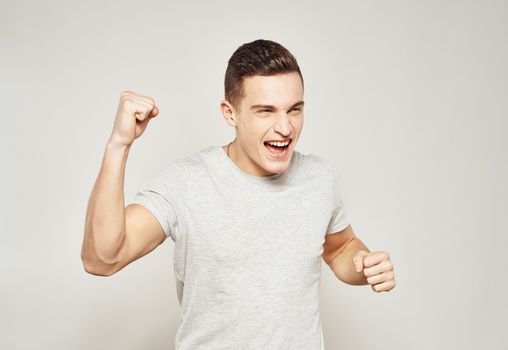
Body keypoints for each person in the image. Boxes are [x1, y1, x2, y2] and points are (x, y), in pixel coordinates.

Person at [81, 39, 396, 350]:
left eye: (294, 109)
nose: (285, 127)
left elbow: (340, 249)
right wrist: (118, 146)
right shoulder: (188, 182)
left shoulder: (320, 178)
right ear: (230, 113)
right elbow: (103, 259)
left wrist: (363, 263)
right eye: (266, 111)